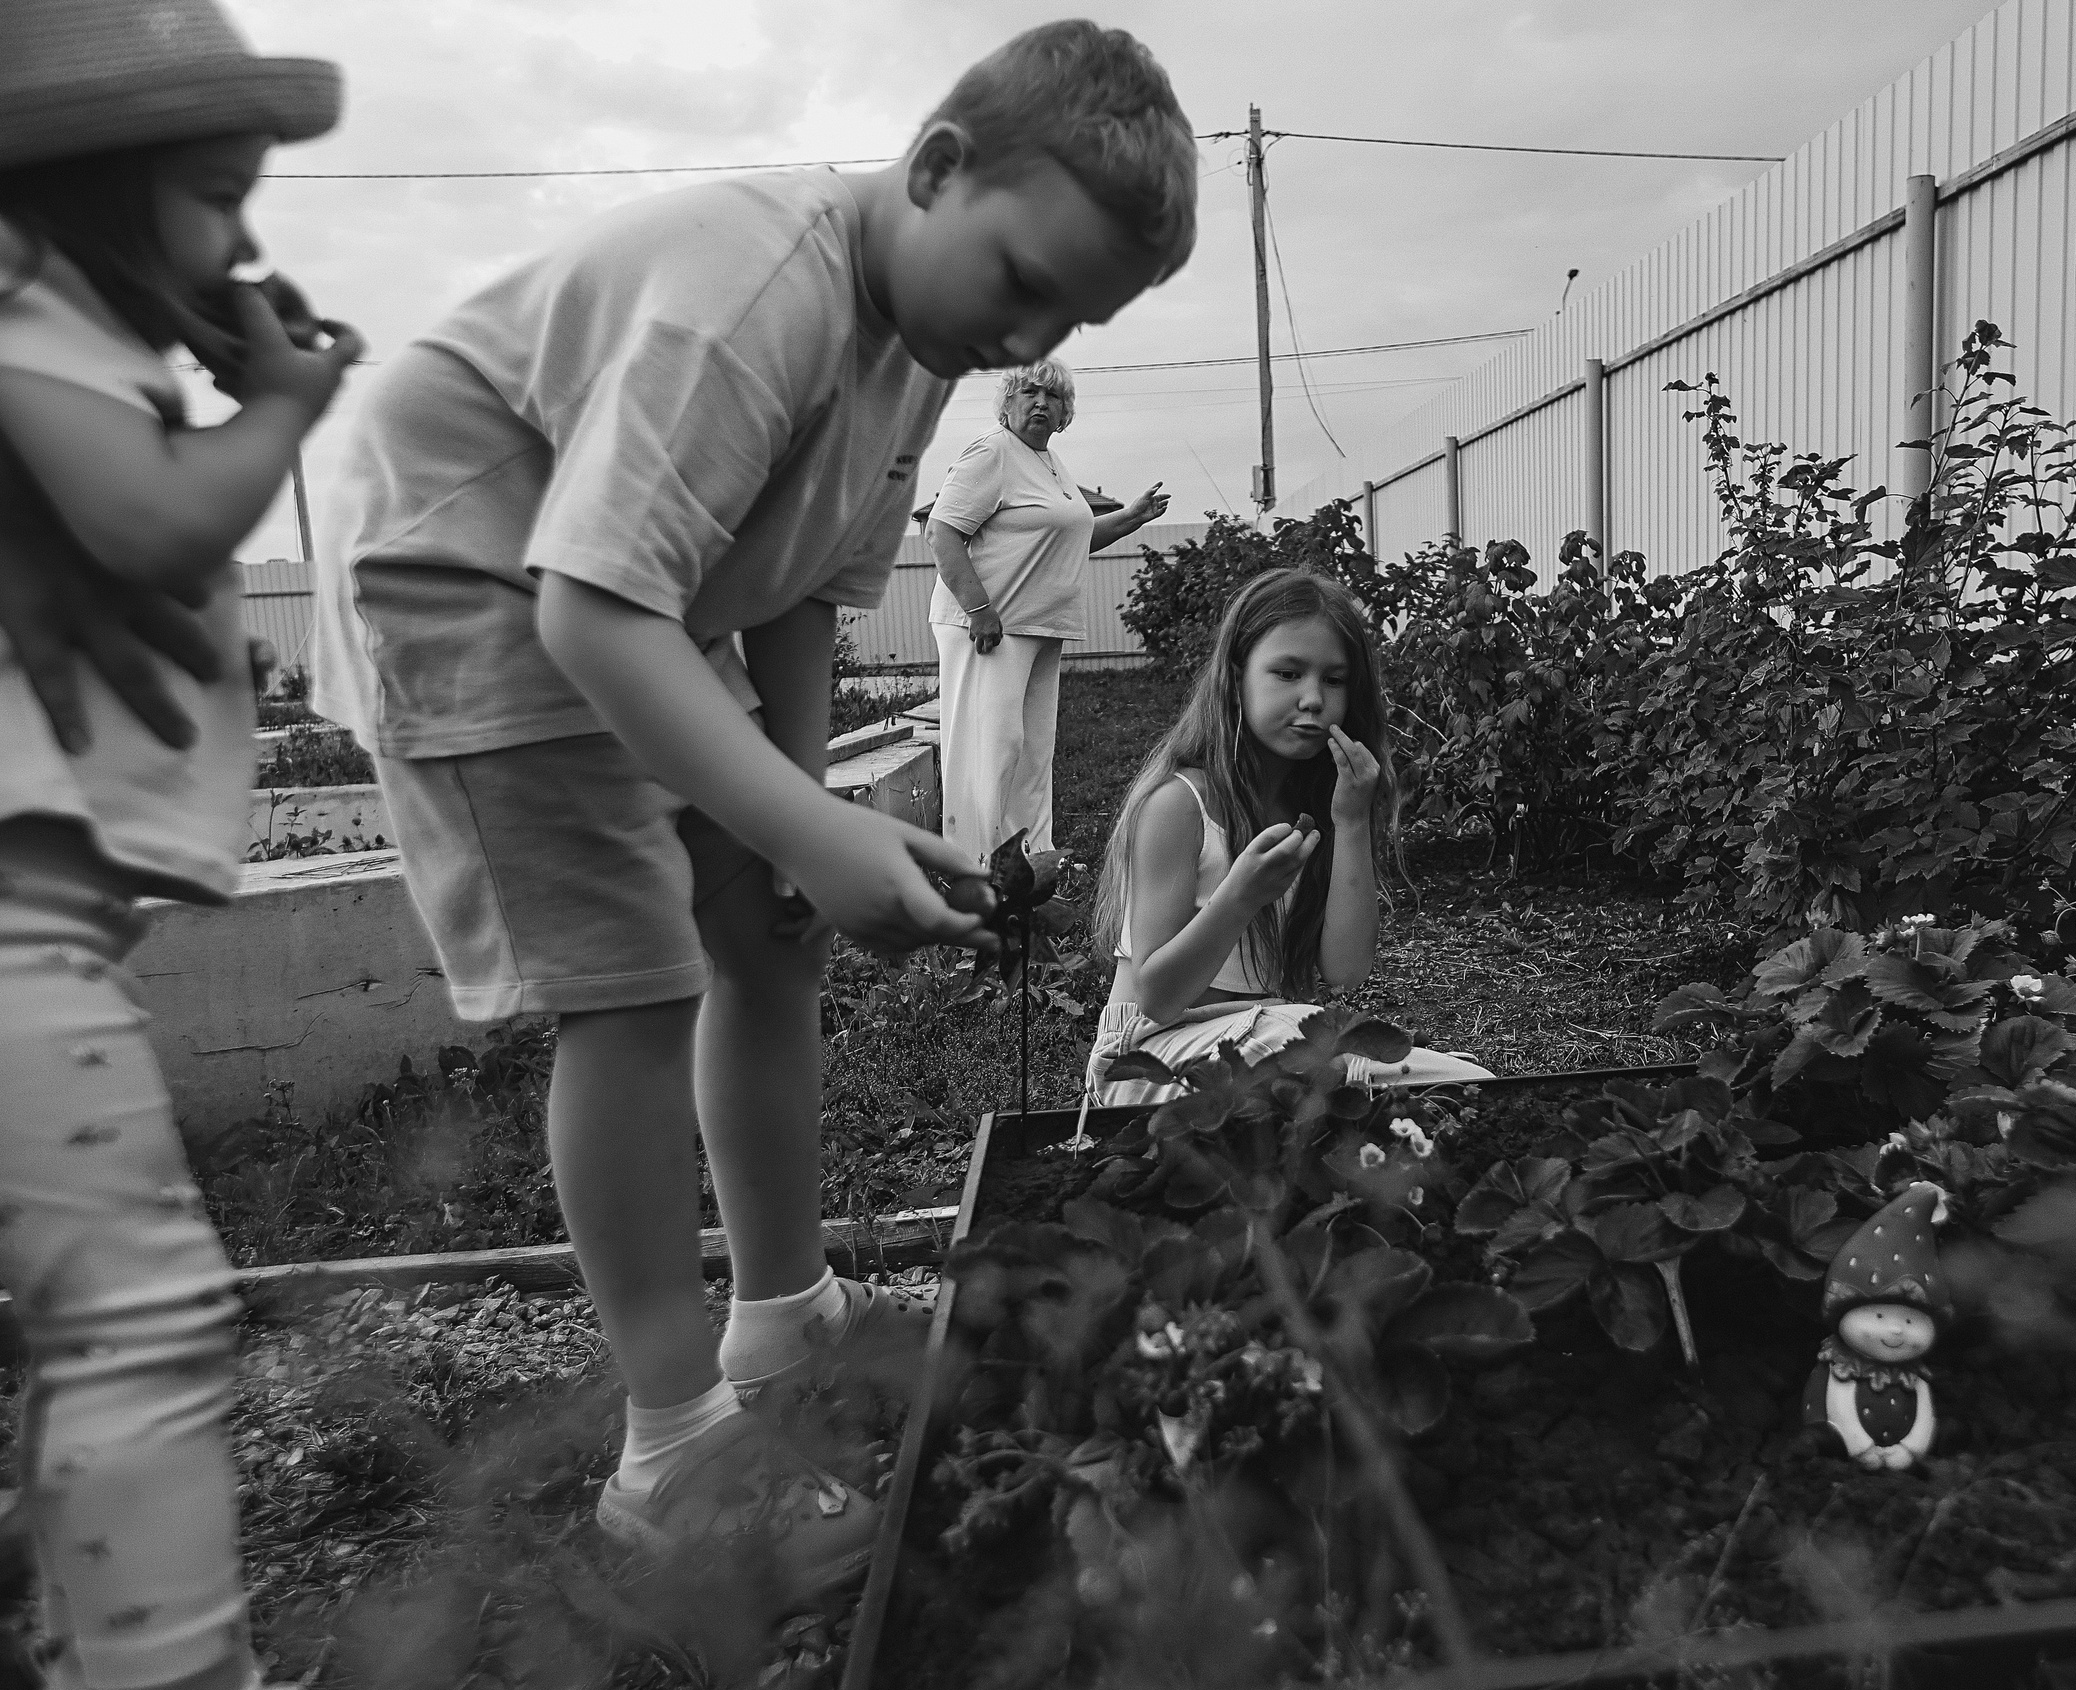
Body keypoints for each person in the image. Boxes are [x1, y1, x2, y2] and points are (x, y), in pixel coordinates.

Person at [306, 20, 1196, 1608]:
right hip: (472, 571)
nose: (1029, 335)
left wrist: (796, 826)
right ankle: (673, 1455)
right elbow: (590, 607)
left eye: (1070, 315)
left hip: (623, 586)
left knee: (765, 942)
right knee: (635, 982)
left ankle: (781, 1316)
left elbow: (797, 597)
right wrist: (801, 823)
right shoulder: (755, 298)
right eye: (1022, 280)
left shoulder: (914, 345)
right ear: (934, 169)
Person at [0, 2, 364, 1690]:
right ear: (73, 190)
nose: (247, 238)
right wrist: (282, 401)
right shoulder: (20, 297)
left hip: (43, 920)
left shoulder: (66, 333)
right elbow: (158, 518)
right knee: (141, 1318)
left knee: (93, 1329)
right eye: (217, 194)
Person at [1086, 568, 1493, 1105]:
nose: (1312, 698)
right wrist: (1241, 895)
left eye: (1334, 679)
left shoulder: (1318, 807)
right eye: (1287, 673)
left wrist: (1350, 823)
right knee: (1318, 1055)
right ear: (1237, 677)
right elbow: (1157, 998)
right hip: (1148, 1057)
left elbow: (1345, 971)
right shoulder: (1178, 805)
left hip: (1264, 1038)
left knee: (1470, 1088)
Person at [927, 358, 1170, 864]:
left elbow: (1072, 540)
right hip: (989, 627)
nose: (1041, 402)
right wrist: (979, 609)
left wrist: (1130, 518)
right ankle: (975, 866)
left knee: (1033, 751)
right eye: (1029, 392)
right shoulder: (992, 453)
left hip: (1037, 628)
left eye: (1053, 396)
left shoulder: (1050, 464)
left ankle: (1033, 858)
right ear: (1007, 404)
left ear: (1065, 412)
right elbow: (942, 531)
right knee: (989, 749)